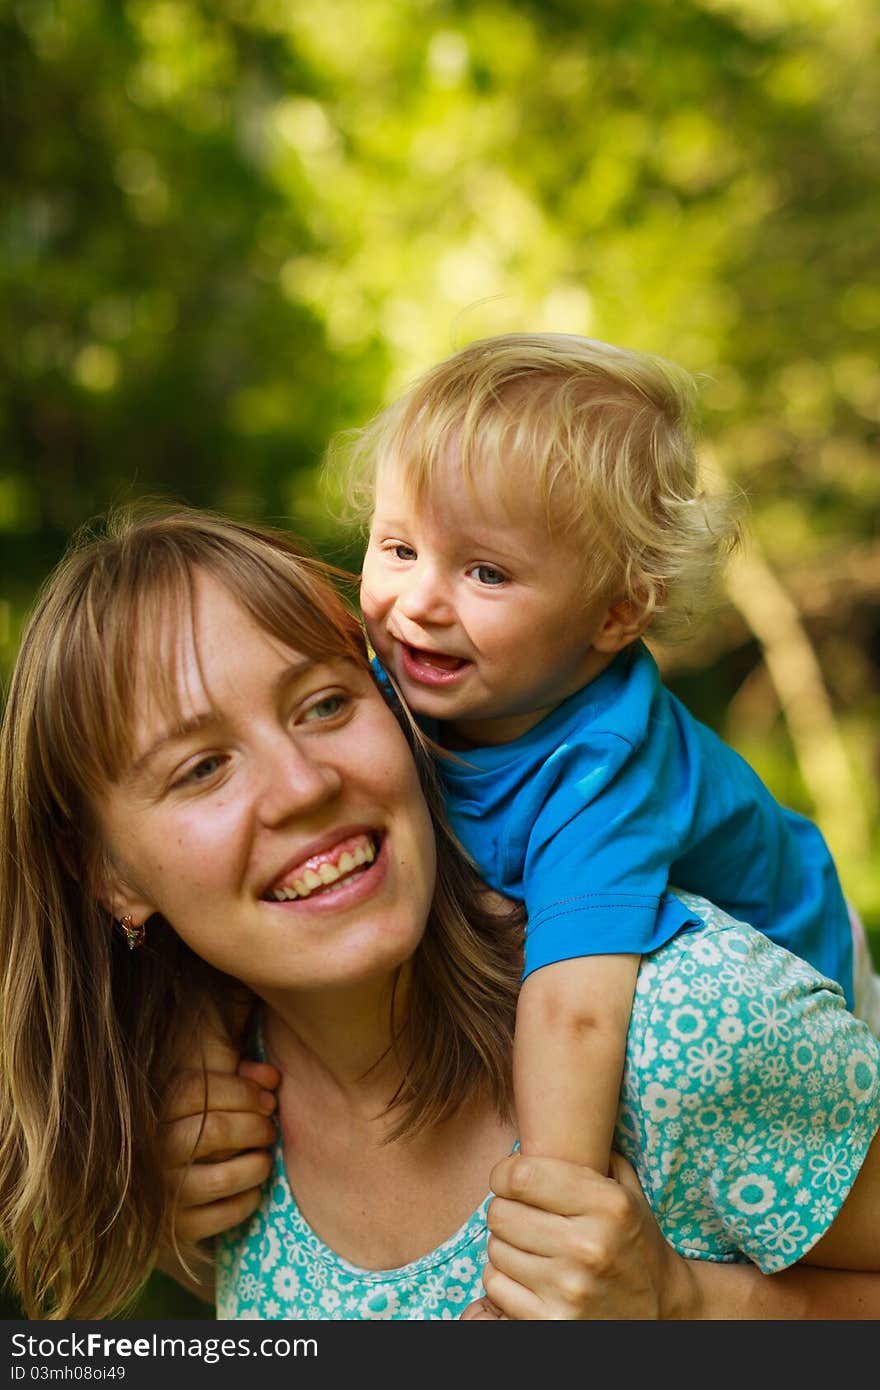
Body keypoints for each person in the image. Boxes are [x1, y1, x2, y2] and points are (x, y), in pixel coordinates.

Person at [1, 505, 879, 1324]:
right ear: (110, 874)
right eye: (201, 769)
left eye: (325, 704)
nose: (304, 785)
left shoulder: (688, 1027)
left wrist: (689, 1305)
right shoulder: (205, 1152)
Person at [345, 332, 858, 1201]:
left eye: (486, 572)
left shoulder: (603, 767)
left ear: (617, 614)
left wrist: (550, 1226)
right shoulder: (396, 681)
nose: (420, 601)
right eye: (398, 549)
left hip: (805, 983)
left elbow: (576, 1012)